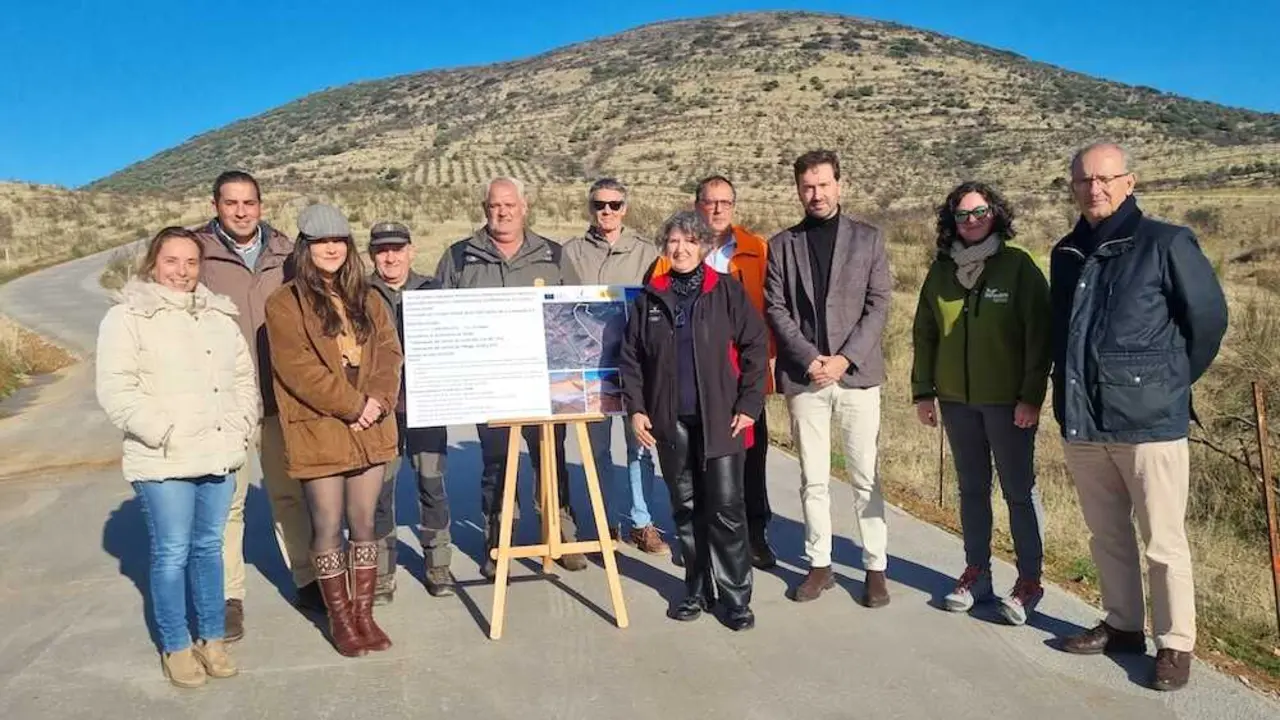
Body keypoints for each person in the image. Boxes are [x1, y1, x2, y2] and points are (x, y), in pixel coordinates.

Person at [1050, 143, 1228, 691]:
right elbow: (1062, 334)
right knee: (1106, 534)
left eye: (1106, 178)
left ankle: (1175, 643)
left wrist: (1165, 385)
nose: (1095, 188)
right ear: (1073, 187)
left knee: (1163, 541)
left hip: (1149, 424)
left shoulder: (1166, 242)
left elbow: (1208, 321)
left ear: (1130, 182)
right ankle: (1124, 625)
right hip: (1084, 419)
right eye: (1084, 180)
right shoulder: (1065, 253)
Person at [96, 227, 259, 687]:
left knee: (209, 548)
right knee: (171, 552)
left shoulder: (218, 317)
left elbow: (243, 378)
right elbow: (116, 388)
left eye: (190, 262)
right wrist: (162, 432)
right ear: (153, 263)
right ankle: (176, 644)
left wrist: (240, 425)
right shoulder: (127, 317)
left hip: (218, 453)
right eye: (171, 261)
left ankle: (212, 638)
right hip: (163, 460)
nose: (181, 271)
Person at [265, 204, 403, 658]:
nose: (331, 248)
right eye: (321, 241)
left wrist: (377, 400)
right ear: (305, 248)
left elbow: (389, 353)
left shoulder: (368, 297)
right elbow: (298, 370)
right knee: (326, 523)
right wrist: (354, 405)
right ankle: (340, 620)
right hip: (319, 426)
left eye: (338, 240)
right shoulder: (283, 303)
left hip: (371, 424)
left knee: (364, 522)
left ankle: (365, 614)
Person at [620, 210, 767, 630]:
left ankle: (736, 598)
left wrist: (749, 404)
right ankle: (697, 590)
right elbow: (631, 359)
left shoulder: (726, 290)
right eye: (673, 241)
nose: (681, 248)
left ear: (702, 245)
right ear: (664, 248)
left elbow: (756, 345)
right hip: (671, 421)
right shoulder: (651, 297)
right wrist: (637, 408)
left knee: (726, 509)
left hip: (722, 419)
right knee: (686, 508)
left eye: (689, 241)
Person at [910, 181, 1050, 625]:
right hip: (957, 400)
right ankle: (977, 573)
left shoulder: (1018, 266)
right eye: (962, 214)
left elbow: (1039, 336)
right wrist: (924, 391)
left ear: (996, 214)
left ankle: (1029, 582)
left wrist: (1030, 397)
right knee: (971, 489)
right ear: (951, 221)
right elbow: (925, 333)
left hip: (1008, 403)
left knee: (1018, 491)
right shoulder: (941, 271)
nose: (971, 221)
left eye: (980, 212)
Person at [435, 177, 587, 580]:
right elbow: (440, 318)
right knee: (498, 464)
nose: (501, 212)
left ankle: (561, 534)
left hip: (545, 385)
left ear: (524, 207)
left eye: (509, 205)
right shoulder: (459, 257)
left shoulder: (553, 255)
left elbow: (574, 315)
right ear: (484, 209)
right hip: (491, 386)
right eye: (494, 206)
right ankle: (499, 539)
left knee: (551, 458)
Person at [765, 150, 893, 606]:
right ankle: (819, 565)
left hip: (857, 375)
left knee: (865, 476)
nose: (816, 194)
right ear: (798, 190)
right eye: (808, 187)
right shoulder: (783, 244)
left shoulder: (868, 239)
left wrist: (844, 359)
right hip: (807, 378)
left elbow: (879, 304)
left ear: (839, 184)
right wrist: (810, 358)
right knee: (813, 478)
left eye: (823, 185)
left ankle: (875, 567)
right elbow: (776, 307)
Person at [192, 170, 316, 640]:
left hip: (281, 395)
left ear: (261, 205)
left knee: (290, 495)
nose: (241, 212)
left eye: (249, 203)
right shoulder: (198, 254)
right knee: (229, 504)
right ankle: (229, 598)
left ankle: (308, 579)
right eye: (231, 203)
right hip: (226, 402)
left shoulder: (286, 252)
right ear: (216, 205)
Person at [561, 178, 668, 555]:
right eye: (599, 204)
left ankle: (642, 522)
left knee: (640, 447)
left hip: (637, 367)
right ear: (590, 207)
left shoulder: (647, 252)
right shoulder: (571, 252)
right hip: (590, 369)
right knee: (597, 451)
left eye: (614, 204)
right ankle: (604, 524)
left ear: (625, 208)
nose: (606, 211)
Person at [691, 174, 778, 568]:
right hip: (698, 372)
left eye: (725, 202)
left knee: (752, 456)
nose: (717, 209)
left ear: (734, 206)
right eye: (710, 202)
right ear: (697, 206)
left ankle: (755, 534)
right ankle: (708, 536)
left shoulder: (756, 249)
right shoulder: (681, 247)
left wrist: (768, 361)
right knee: (702, 457)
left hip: (745, 372)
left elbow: (773, 308)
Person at [367, 220, 455, 599]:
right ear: (372, 255)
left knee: (432, 485)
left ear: (411, 252)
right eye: (382, 250)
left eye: (397, 249)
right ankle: (382, 571)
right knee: (379, 491)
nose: (390, 257)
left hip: (426, 407)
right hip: (380, 412)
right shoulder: (360, 294)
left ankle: (438, 564)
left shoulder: (433, 291)